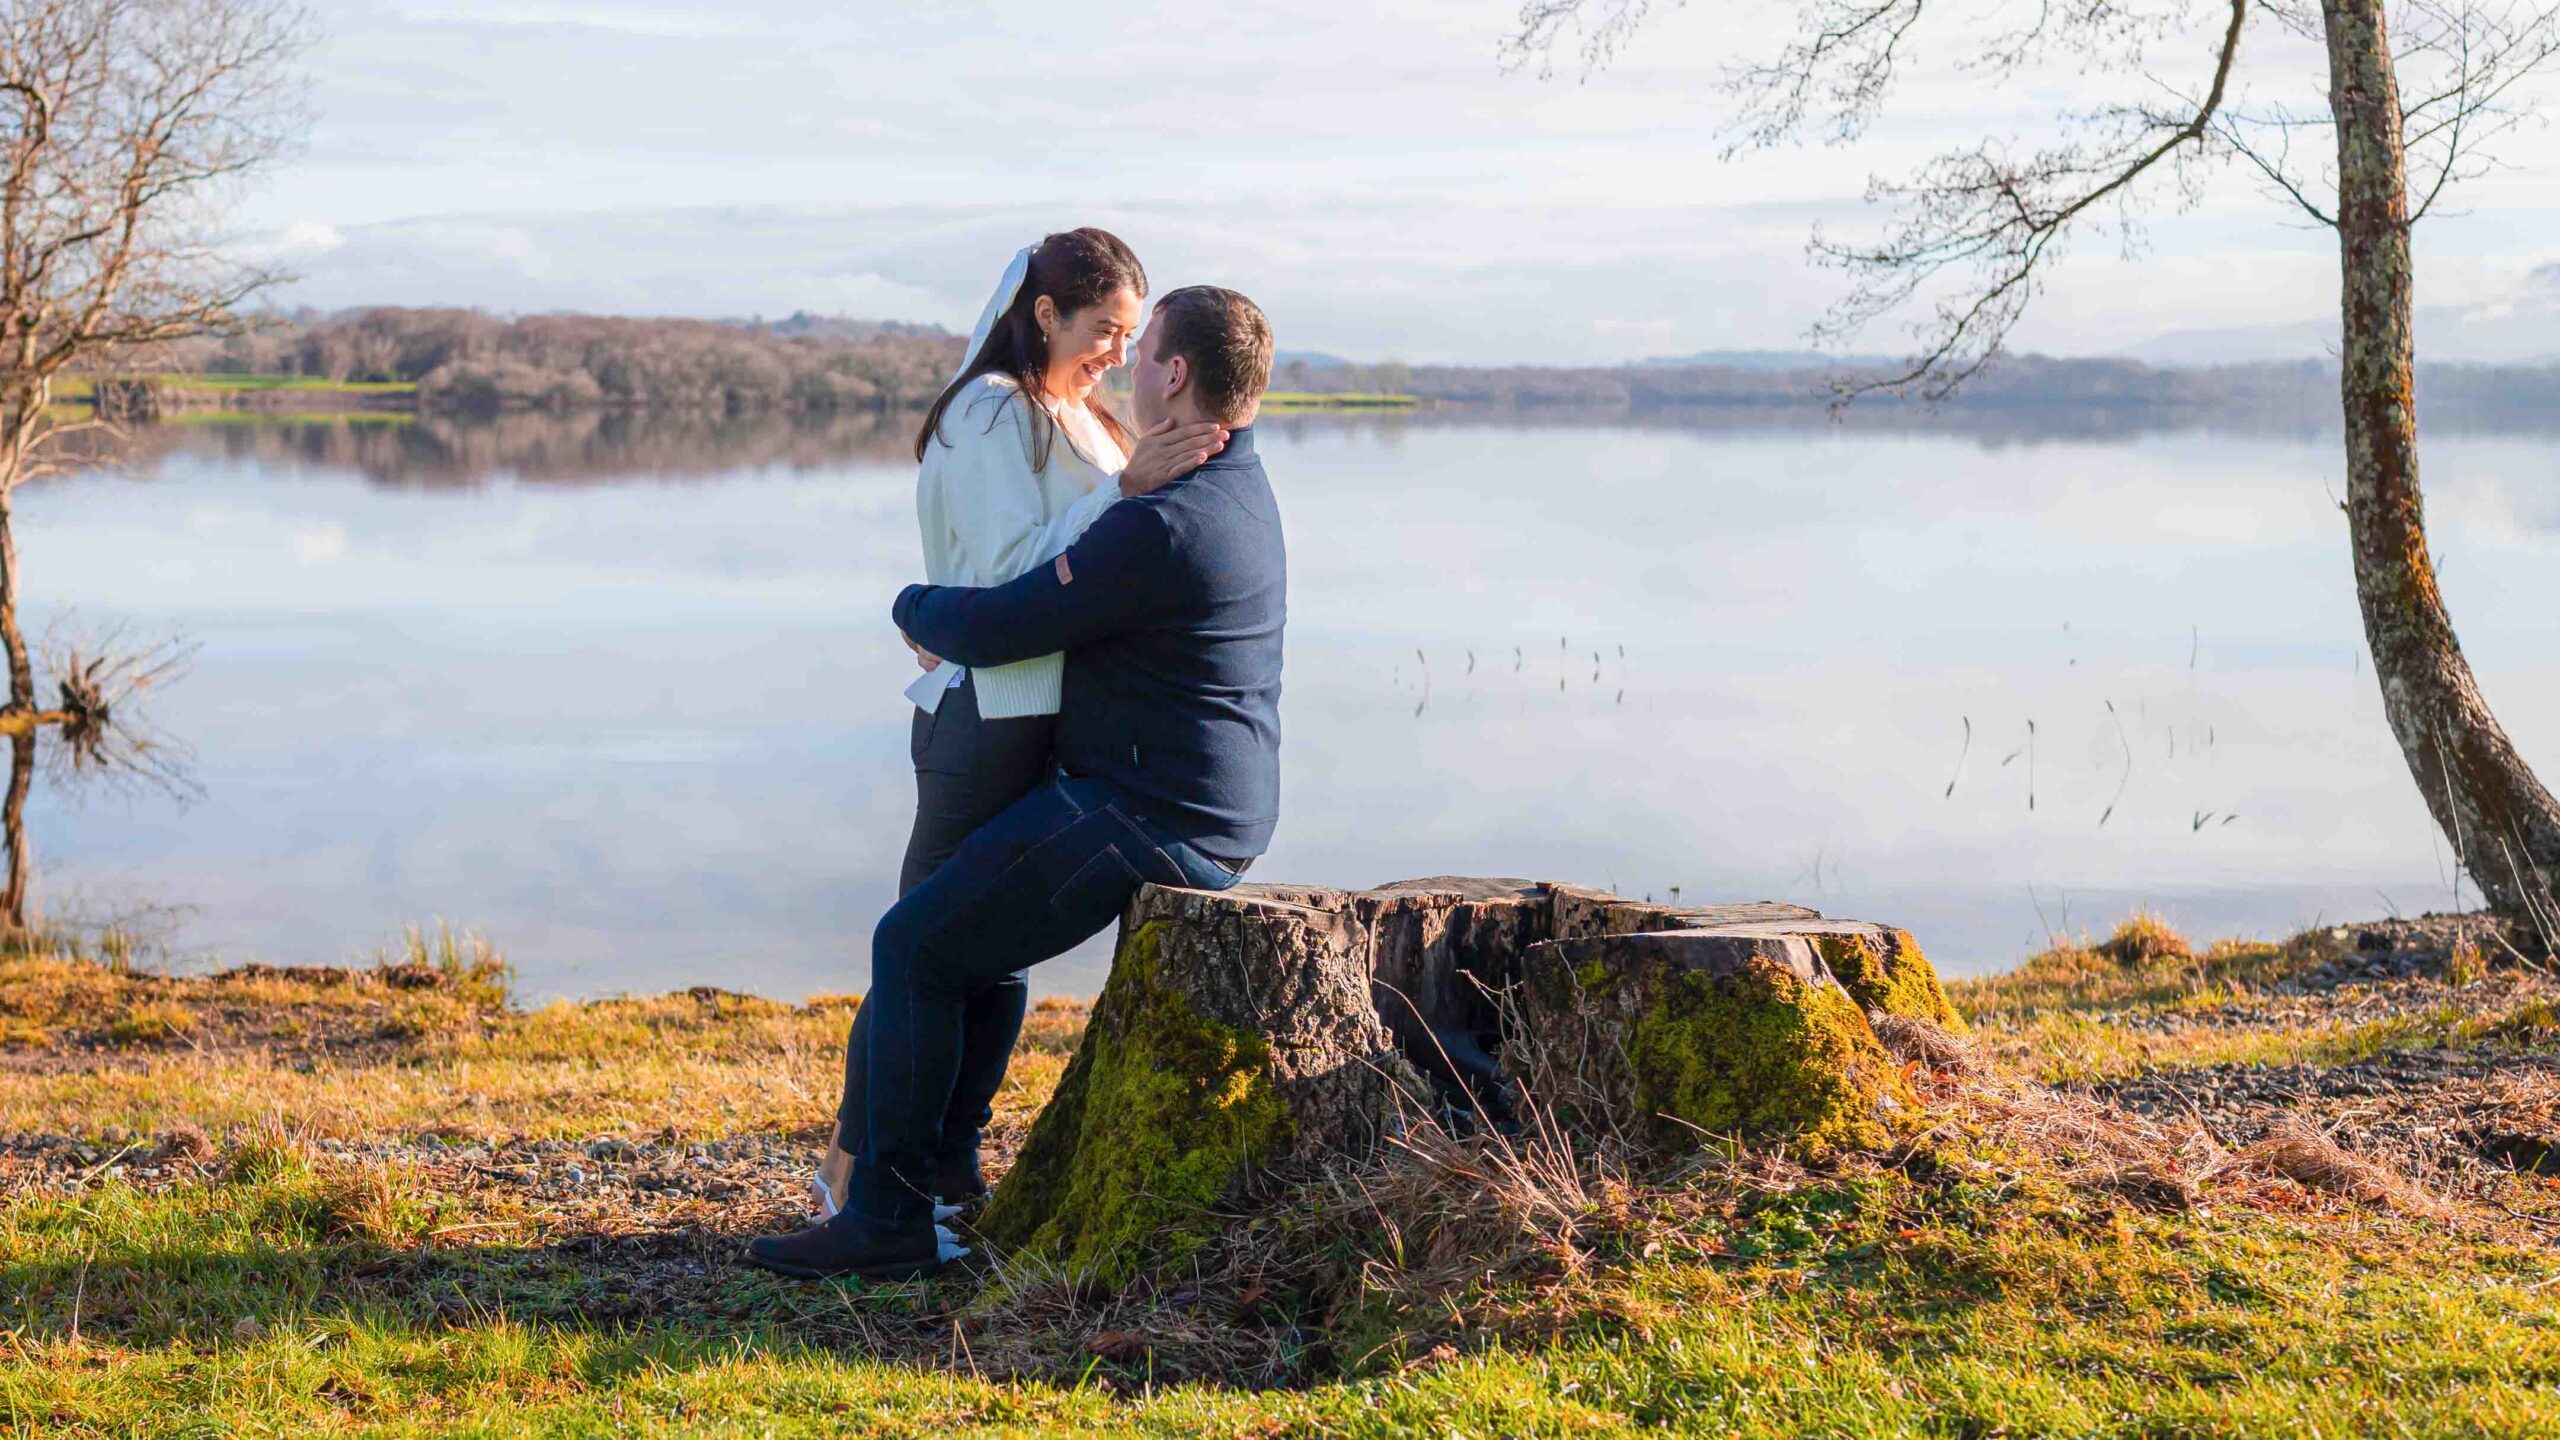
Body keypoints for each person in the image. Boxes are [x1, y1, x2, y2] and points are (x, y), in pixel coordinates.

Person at [749, 284, 1284, 1280]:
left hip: (1151, 813)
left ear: (1174, 375)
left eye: (1142, 352)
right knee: (971, 949)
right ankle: (947, 1180)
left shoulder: (1166, 522)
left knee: (911, 944)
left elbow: (1004, 624)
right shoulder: (1235, 485)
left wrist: (912, 602)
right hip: (1190, 801)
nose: (1125, 367)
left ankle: (887, 1221)